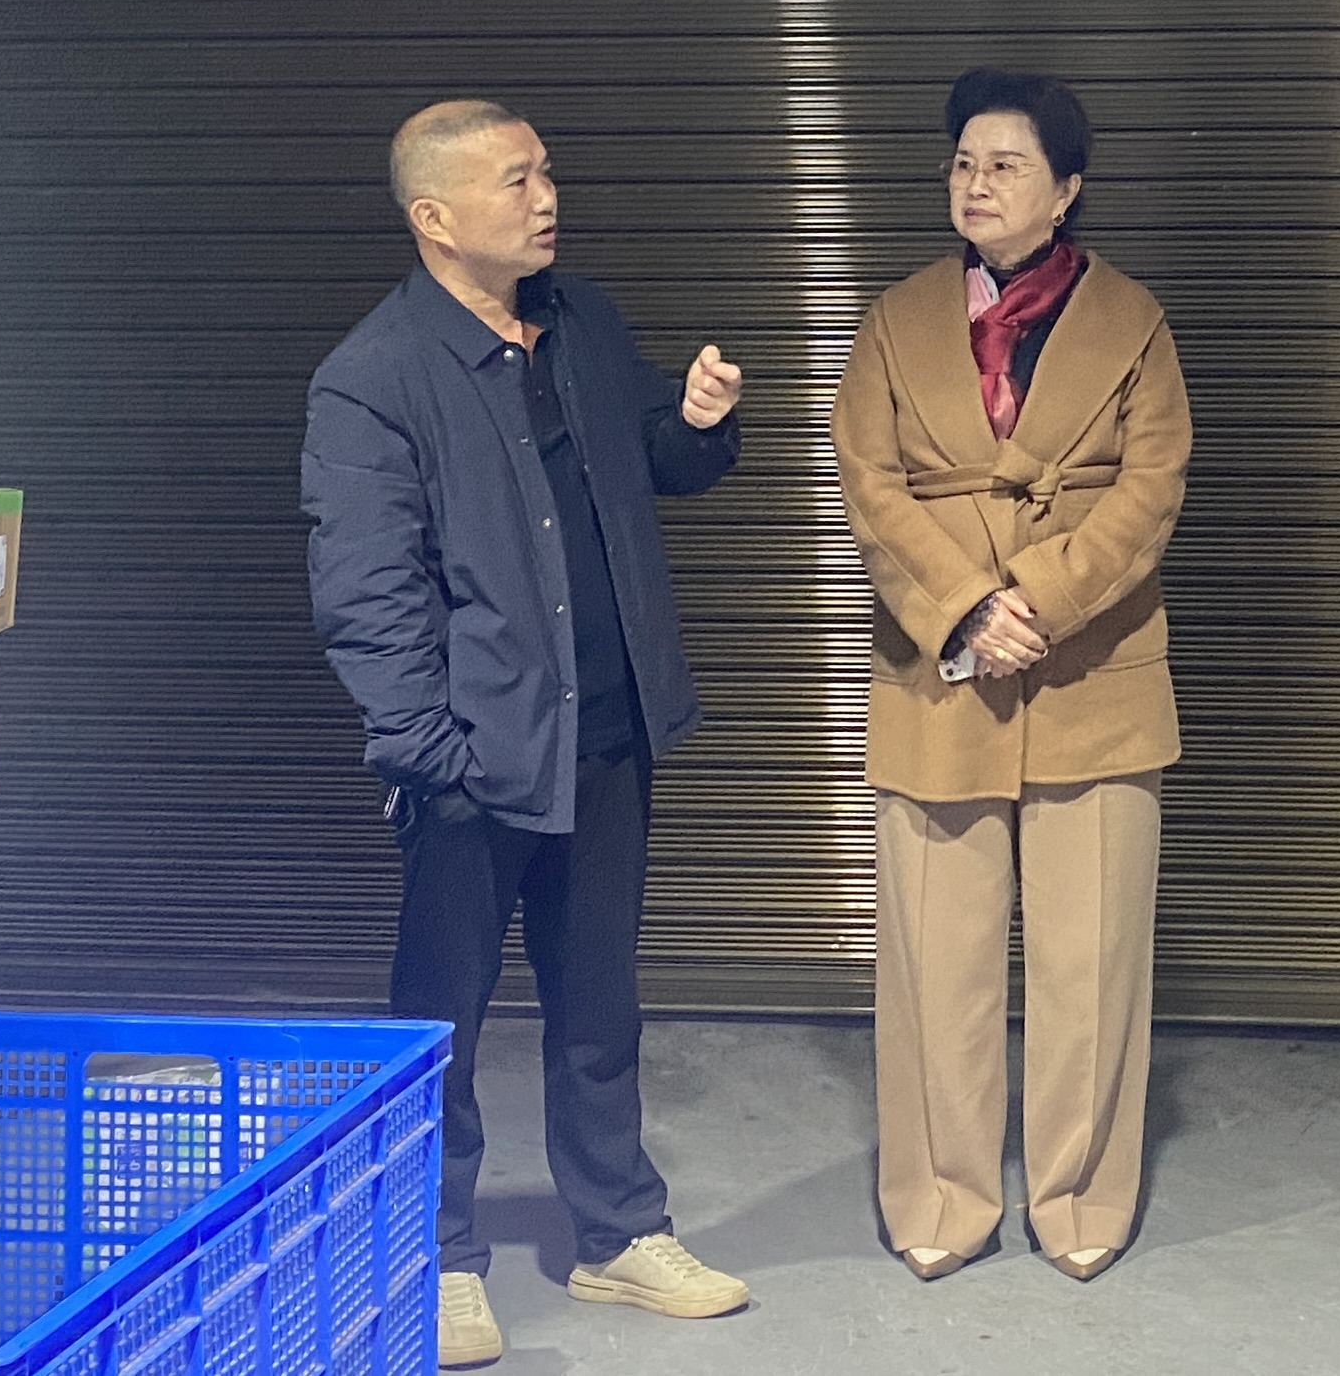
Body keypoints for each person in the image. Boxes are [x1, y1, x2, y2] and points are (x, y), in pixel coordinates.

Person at [303, 99, 756, 1364]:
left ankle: (617, 1232)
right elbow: (366, 593)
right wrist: (430, 755)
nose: (546, 196)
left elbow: (651, 462)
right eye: (515, 180)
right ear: (435, 217)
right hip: (474, 758)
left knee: (600, 999)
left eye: (547, 171)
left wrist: (697, 423)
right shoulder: (375, 377)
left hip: (607, 734)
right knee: (438, 1020)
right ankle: (434, 1252)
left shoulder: (580, 322)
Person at [831, 69, 1193, 1283]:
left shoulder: (1134, 320)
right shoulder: (893, 320)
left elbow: (1152, 489)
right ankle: (942, 1194)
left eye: (1006, 165)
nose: (976, 184)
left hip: (1092, 663)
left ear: (1067, 188)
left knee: (1093, 962)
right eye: (963, 163)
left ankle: (1080, 1197)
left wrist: (1036, 598)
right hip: (940, 667)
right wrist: (967, 609)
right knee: (935, 958)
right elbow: (871, 486)